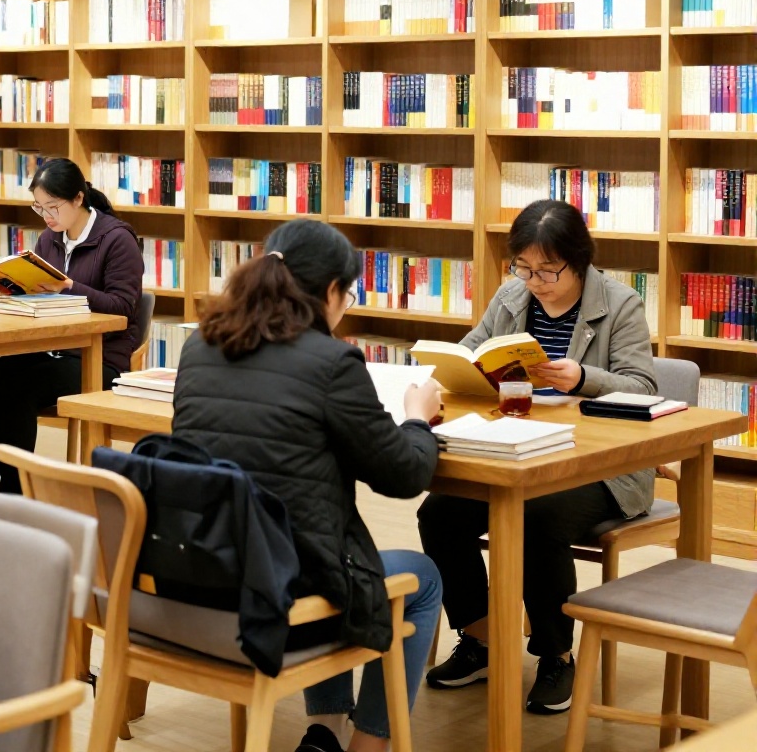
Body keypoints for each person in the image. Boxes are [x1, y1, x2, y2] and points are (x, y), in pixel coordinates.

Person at [172, 219, 443, 752]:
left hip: (205, 573)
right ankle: (371, 743)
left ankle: (324, 733)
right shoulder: (332, 362)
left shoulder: (200, 346)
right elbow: (404, 475)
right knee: (422, 578)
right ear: (329, 292)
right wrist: (416, 418)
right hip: (283, 585)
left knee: (312, 542)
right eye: (349, 293)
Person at [421, 199, 658, 715]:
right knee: (439, 513)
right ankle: (481, 640)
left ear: (579, 260)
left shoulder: (620, 305)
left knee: (536, 516)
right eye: (523, 267)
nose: (535, 281)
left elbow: (642, 386)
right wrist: (461, 370)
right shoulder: (511, 296)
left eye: (548, 269)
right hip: (519, 450)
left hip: (602, 466)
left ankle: (555, 654)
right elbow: (472, 350)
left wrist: (584, 378)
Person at [0, 158, 142, 493]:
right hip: (49, 348)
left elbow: (123, 308)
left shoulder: (117, 239)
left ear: (77, 199)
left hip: (98, 359)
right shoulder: (50, 238)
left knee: (16, 390)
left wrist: (69, 286)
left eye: (53, 207)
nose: (47, 216)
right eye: (39, 207)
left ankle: (16, 482)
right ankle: (3, 468)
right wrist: (0, 294)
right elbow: (38, 297)